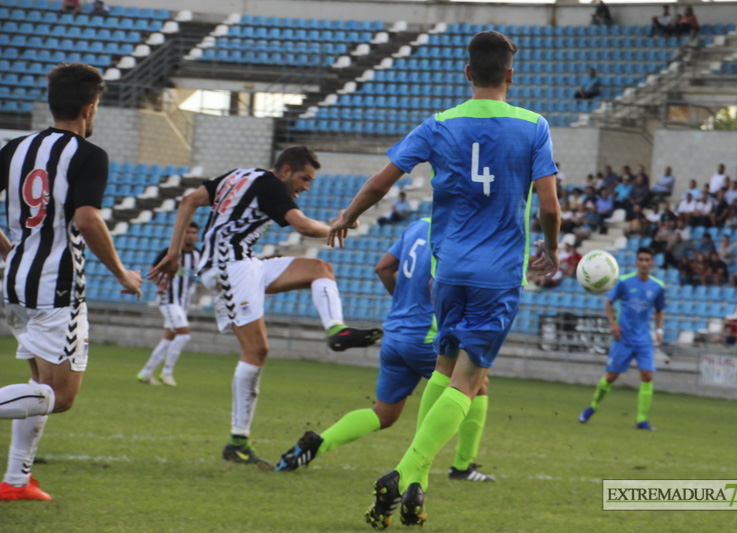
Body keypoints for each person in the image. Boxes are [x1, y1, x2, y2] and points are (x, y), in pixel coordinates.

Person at [326, 31, 561, 528]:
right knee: (469, 383)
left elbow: (379, 183)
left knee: (443, 368)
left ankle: (418, 488)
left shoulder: (439, 125)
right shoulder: (534, 127)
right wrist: (553, 250)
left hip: (448, 270)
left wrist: (347, 217)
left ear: (467, 73)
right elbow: (549, 207)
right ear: (510, 76)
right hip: (498, 275)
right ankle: (406, 470)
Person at [149, 146, 383, 470]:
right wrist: (341, 224)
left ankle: (336, 329)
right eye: (304, 178)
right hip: (229, 267)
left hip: (245, 263)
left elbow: (189, 200)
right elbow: (302, 226)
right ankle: (237, 443)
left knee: (321, 270)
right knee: (256, 351)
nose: (306, 187)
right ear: (285, 170)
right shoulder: (271, 186)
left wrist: (176, 253)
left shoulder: (238, 176)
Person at [0, 63, 142, 501]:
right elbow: (86, 217)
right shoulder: (88, 154)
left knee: (39, 387)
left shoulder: (14, 149)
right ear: (88, 107)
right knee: (59, 396)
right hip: (56, 289)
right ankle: (16, 481)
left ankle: (16, 481)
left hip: (14, 284)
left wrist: (10, 253)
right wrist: (121, 272)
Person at [275, 218, 494, 482]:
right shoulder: (456, 231)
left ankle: (319, 443)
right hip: (425, 336)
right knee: (477, 385)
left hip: (394, 334)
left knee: (385, 413)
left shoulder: (417, 225)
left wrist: (403, 302)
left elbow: (383, 268)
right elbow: (439, 285)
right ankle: (462, 467)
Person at [579, 248, 665, 431]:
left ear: (652, 263)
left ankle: (641, 419)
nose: (643, 263)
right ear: (636, 262)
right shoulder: (624, 282)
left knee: (647, 375)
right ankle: (592, 407)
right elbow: (608, 302)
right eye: (640, 259)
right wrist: (612, 324)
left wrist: (659, 330)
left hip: (643, 339)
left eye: (647, 259)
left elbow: (659, 310)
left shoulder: (658, 286)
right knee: (610, 377)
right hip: (623, 337)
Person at [137, 221, 201, 386]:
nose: (191, 236)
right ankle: (167, 373)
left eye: (194, 233)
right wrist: (159, 285)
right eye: (188, 232)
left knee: (169, 339)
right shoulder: (169, 253)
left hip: (183, 302)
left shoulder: (198, 255)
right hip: (169, 300)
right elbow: (152, 271)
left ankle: (146, 372)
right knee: (184, 335)